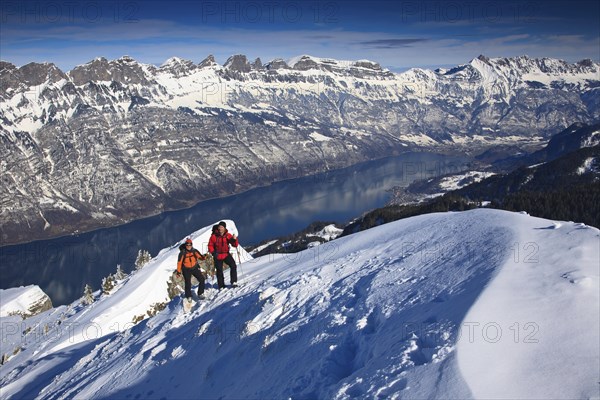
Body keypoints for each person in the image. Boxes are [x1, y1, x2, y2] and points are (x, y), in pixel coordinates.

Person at [208, 221, 239, 289]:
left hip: (226, 254)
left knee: (233, 265)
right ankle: (221, 285)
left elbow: (235, 245)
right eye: (219, 227)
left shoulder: (228, 235)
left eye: (222, 227)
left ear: (224, 228)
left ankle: (234, 282)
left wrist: (234, 239)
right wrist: (213, 253)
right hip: (217, 255)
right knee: (219, 271)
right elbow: (210, 245)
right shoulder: (214, 236)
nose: (220, 228)